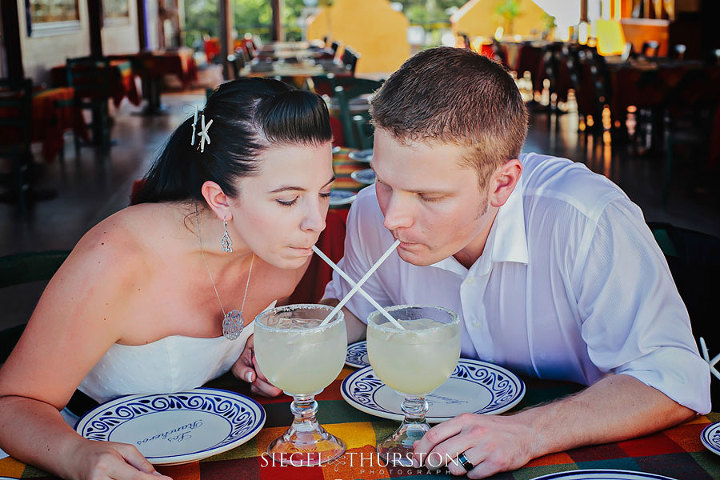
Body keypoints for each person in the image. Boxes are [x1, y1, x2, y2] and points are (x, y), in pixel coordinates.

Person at [300, 47, 710, 477]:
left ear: (502, 183)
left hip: (580, 454)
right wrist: (300, 341)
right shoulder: (369, 212)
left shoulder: (587, 220)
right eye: (384, 182)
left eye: (429, 196)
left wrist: (526, 433)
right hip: (421, 445)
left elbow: (673, 381)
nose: (391, 217)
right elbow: (356, 312)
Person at [0, 78, 334, 480]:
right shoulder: (117, 261)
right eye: (288, 199)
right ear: (220, 199)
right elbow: (10, 402)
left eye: (325, 193)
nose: (316, 222)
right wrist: (77, 455)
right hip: (81, 453)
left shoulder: (286, 250)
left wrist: (250, 352)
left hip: (215, 448)